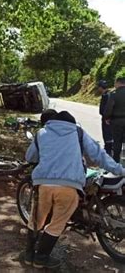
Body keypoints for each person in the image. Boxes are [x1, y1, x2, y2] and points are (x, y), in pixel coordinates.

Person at [23, 110, 125, 269]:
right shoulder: (78, 132)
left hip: (43, 185)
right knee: (57, 223)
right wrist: (120, 170)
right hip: (69, 186)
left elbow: (30, 157)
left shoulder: (41, 133)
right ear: (71, 123)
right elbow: (99, 156)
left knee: (36, 218)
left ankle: (29, 255)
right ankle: (41, 258)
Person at [104, 76, 125, 162]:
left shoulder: (114, 94)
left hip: (117, 121)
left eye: (115, 83)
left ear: (118, 83)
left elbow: (109, 108)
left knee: (117, 142)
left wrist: (107, 117)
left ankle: (116, 162)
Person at [98, 80, 113, 156]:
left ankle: (108, 151)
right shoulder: (109, 94)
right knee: (109, 135)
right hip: (109, 118)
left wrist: (107, 118)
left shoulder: (106, 96)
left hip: (106, 119)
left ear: (101, 87)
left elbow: (106, 109)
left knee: (107, 135)